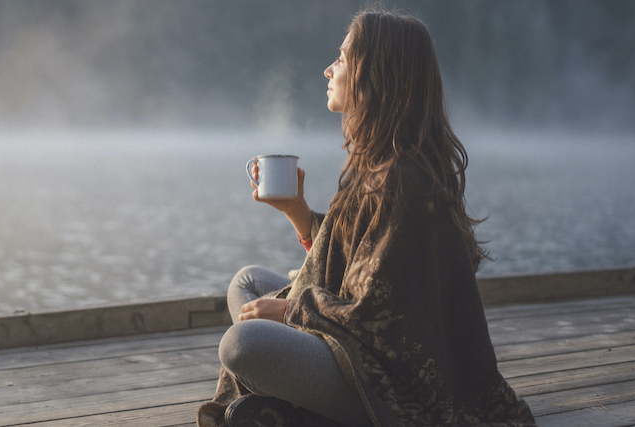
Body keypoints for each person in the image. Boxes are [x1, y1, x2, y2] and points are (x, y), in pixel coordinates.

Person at [197, 9, 537, 427]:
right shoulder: (377, 162)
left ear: (375, 74)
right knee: (247, 283)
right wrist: (298, 213)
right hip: (351, 344)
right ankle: (297, 407)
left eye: (341, 58)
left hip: (393, 383)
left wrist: (290, 312)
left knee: (241, 344)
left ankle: (313, 413)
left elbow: (378, 316)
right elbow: (351, 264)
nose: (328, 68)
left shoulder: (403, 178)